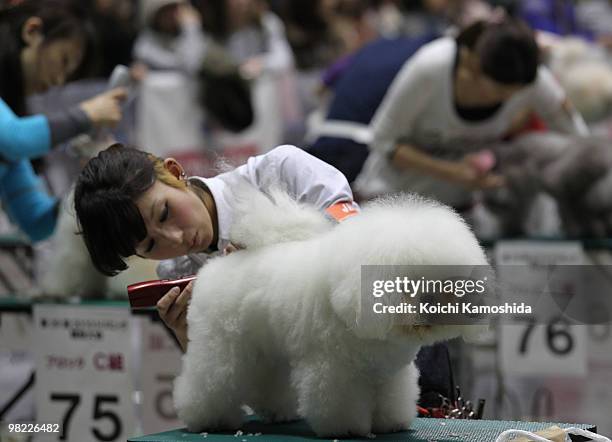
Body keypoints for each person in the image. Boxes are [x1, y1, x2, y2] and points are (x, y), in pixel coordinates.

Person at [74, 144, 360, 350]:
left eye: (165, 213)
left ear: (174, 172)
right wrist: (190, 339)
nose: (175, 238)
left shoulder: (283, 172)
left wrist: (275, 260)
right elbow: (246, 391)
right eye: (150, 245)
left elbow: (362, 247)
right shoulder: (179, 276)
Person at [352, 14, 588, 210]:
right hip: (390, 204)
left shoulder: (532, 80)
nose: (510, 99)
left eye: (517, 93)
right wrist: (451, 172)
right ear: (474, 66)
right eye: (499, 91)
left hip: (458, 212)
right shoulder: (431, 67)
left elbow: (579, 139)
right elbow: (383, 140)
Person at [0, 0, 127, 241]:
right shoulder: (12, 137)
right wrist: (87, 114)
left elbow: (37, 222)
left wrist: (87, 183)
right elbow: (13, 139)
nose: (58, 81)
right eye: (63, 60)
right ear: (32, 32)